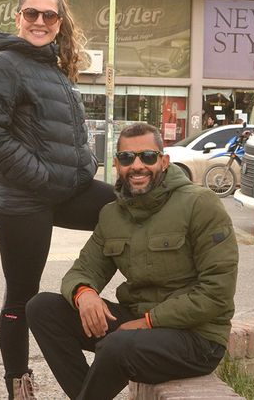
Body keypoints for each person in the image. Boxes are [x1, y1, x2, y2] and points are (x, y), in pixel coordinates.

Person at [0, 0, 116, 400]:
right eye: (31, 14)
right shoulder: (5, 65)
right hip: (20, 200)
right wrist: (43, 176)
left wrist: (86, 165)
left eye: (49, 16)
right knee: (21, 294)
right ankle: (18, 384)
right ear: (18, 18)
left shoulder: (54, 66)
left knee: (124, 211)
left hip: (62, 188)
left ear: (59, 23)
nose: (39, 22)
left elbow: (67, 134)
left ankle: (127, 313)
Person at [27, 123, 239, 400]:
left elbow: (217, 292)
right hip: (137, 326)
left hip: (196, 338)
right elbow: (84, 269)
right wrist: (84, 293)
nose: (137, 165)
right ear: (117, 164)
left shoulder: (200, 204)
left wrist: (150, 321)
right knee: (42, 308)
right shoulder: (112, 215)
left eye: (147, 157)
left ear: (164, 161)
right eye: (127, 158)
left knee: (116, 346)